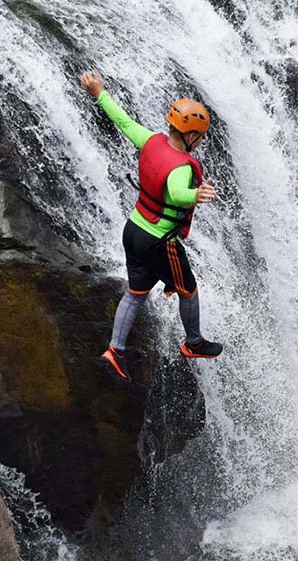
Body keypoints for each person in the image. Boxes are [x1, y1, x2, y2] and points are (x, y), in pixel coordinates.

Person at [80, 70, 223, 383]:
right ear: (191, 135)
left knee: (135, 293)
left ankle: (114, 350)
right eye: (199, 136)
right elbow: (175, 192)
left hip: (132, 231)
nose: (199, 142)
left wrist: (100, 92)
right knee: (188, 289)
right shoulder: (182, 167)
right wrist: (196, 194)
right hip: (160, 241)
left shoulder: (150, 140)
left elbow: (124, 121)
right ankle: (194, 343)